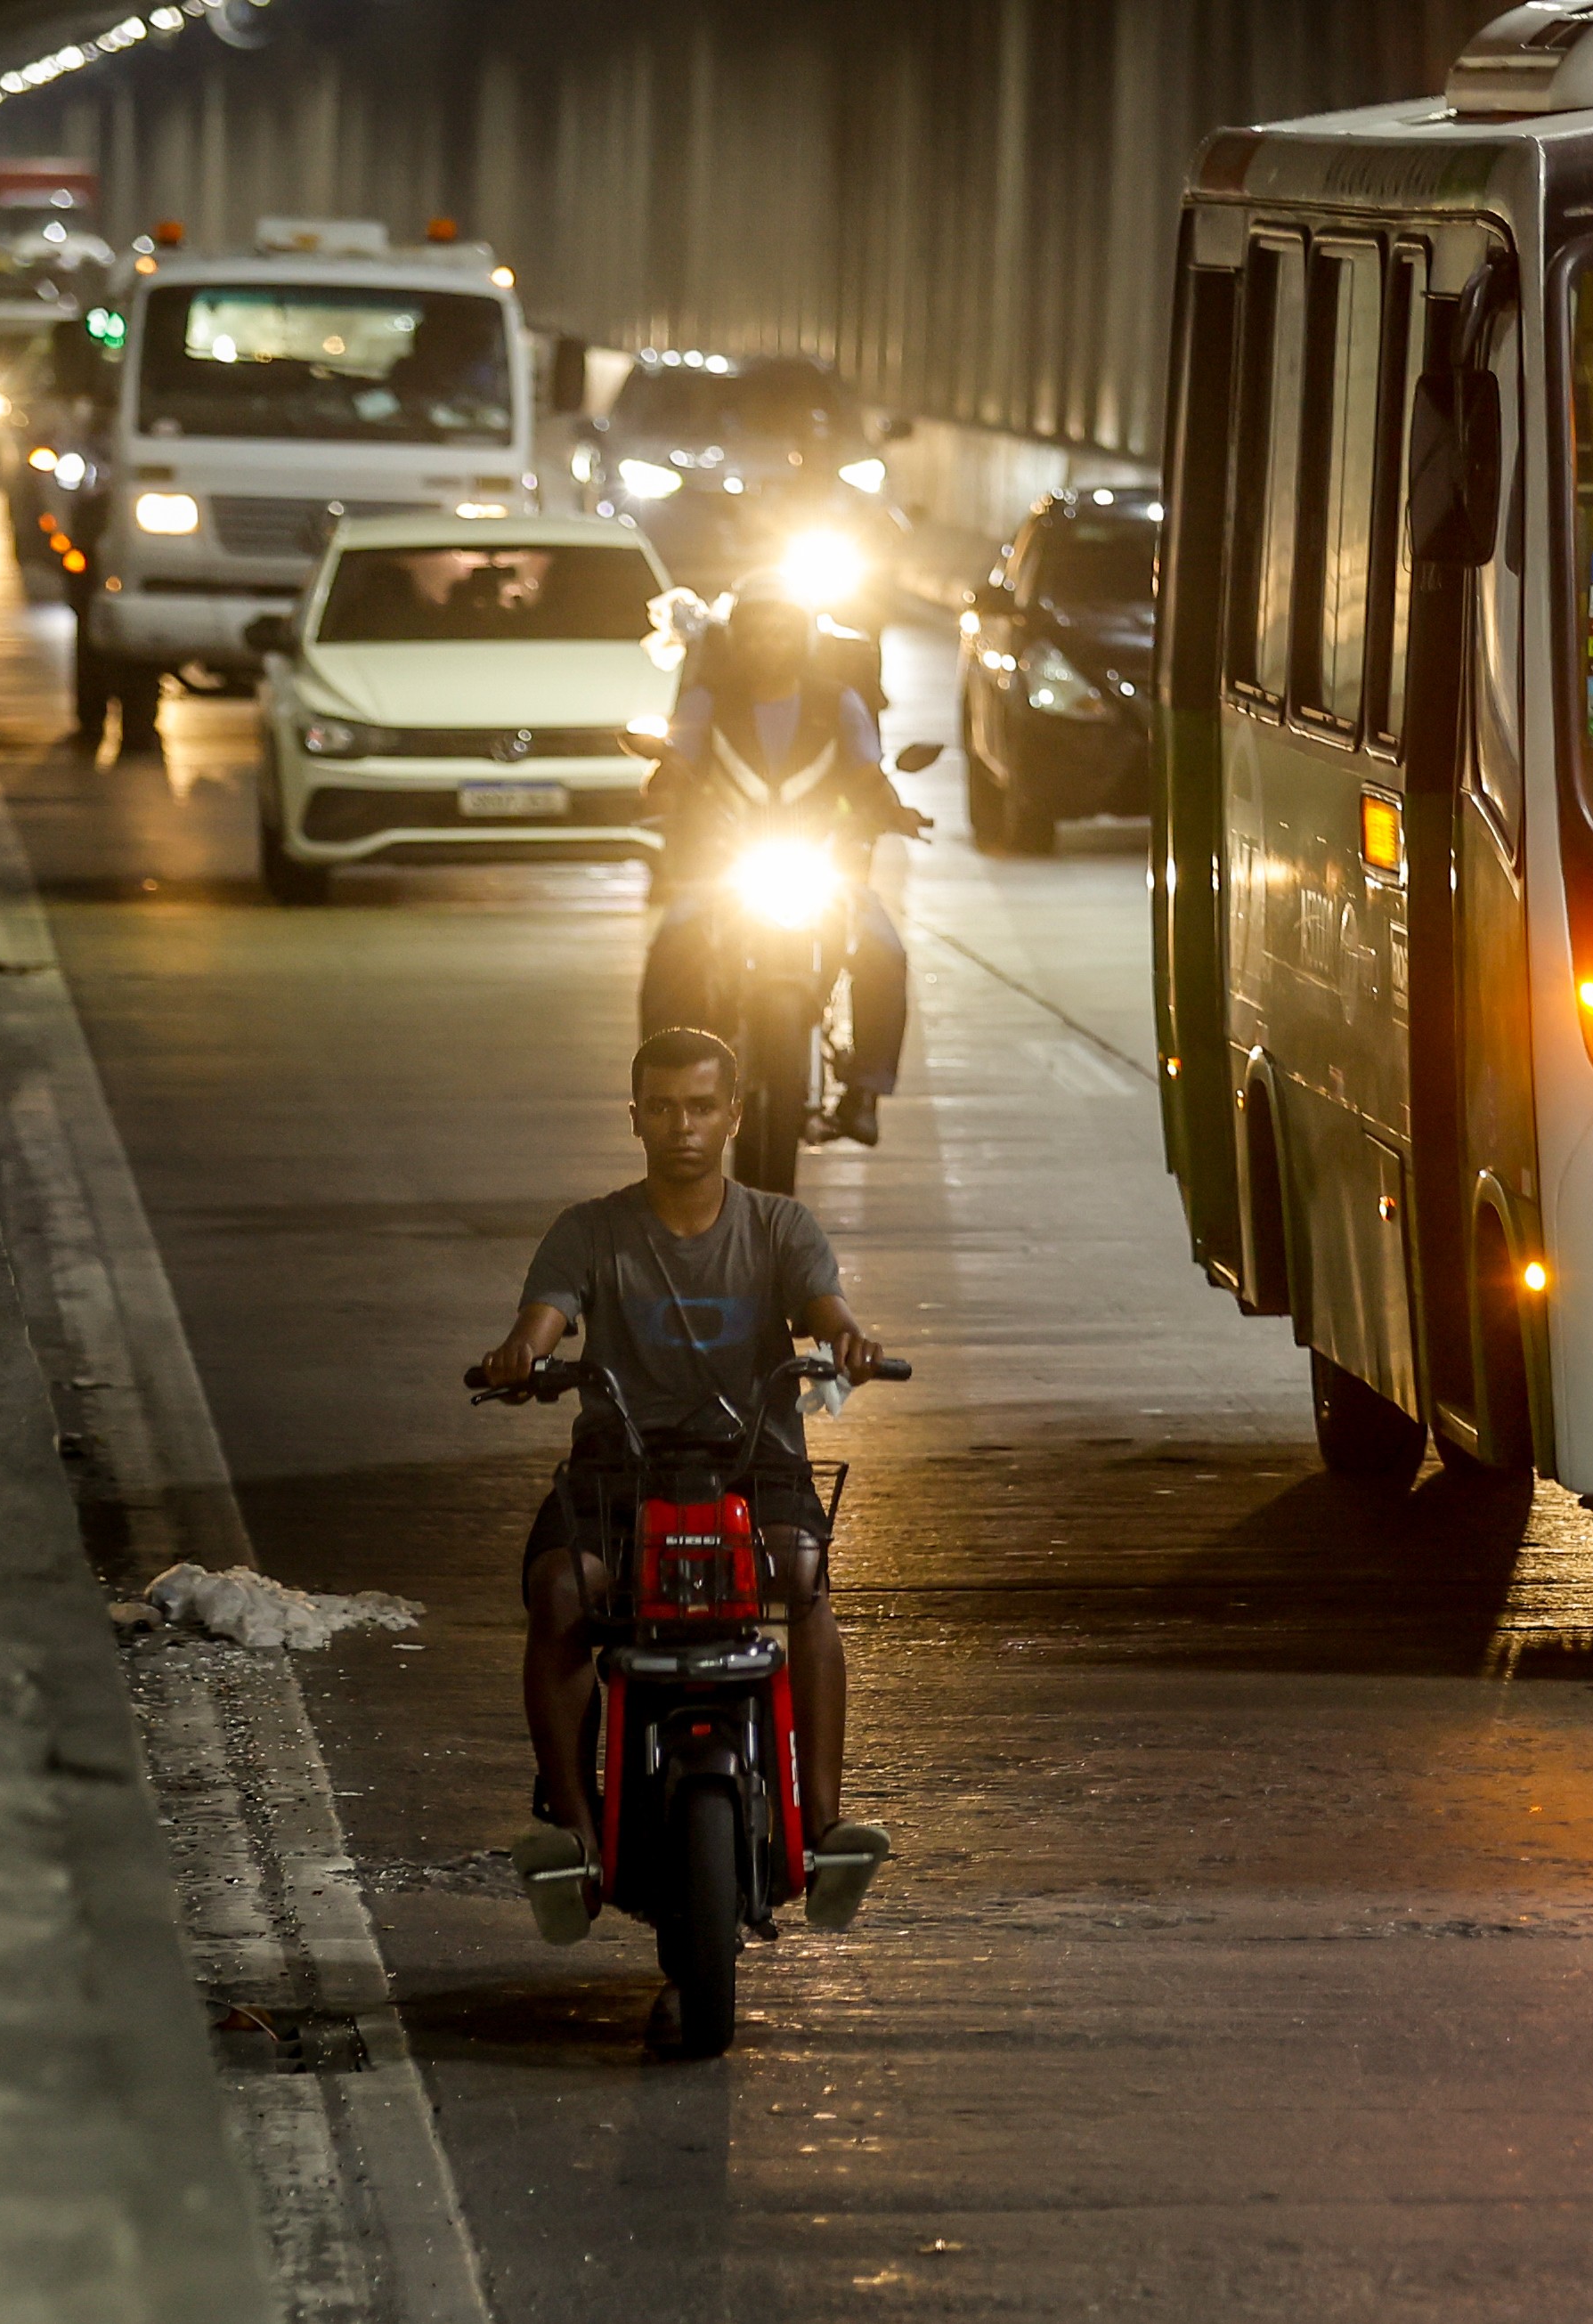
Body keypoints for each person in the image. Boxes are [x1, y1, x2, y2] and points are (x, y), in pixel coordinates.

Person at [481, 1027, 896, 1949]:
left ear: (734, 1116)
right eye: (663, 1109)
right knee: (561, 1591)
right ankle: (577, 1836)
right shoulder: (590, 1230)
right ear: (635, 1118)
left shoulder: (779, 1226)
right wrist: (521, 1356)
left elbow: (824, 1308)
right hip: (619, 1468)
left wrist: (846, 1339)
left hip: (754, 1461)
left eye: (702, 1107)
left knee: (803, 1576)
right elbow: (542, 1319)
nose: (683, 1126)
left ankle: (824, 1825)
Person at [640, 573, 918, 1145]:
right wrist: (664, 780)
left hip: (821, 864)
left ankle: (864, 1091)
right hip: (726, 867)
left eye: (782, 631)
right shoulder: (707, 701)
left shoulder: (837, 702)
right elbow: (678, 761)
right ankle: (668, 1088)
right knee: (672, 948)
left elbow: (869, 774)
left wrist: (896, 810)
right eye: (757, 631)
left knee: (884, 953)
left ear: (803, 638)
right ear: (737, 639)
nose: (769, 643)